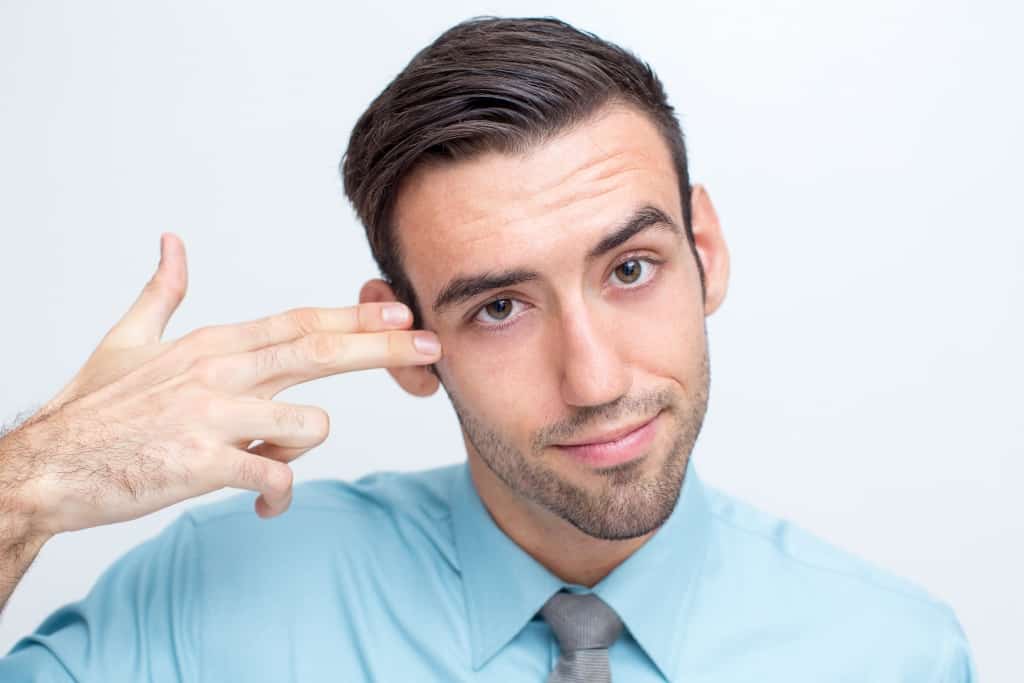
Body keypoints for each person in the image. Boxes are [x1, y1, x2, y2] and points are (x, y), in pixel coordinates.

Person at [0, 15, 975, 682]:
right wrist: (26, 483)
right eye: (501, 306)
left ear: (705, 253)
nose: (595, 379)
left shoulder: (895, 653)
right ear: (406, 342)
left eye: (630, 268)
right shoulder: (213, 597)